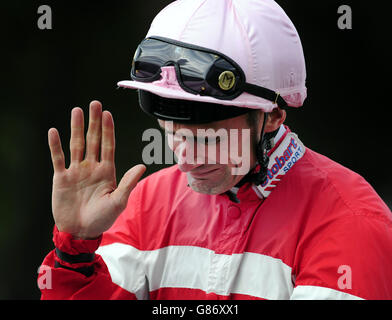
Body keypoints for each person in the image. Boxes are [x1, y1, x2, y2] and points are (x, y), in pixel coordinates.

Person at [39, 0, 392, 300]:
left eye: (209, 138)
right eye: (172, 133)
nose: (185, 160)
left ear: (272, 116)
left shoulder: (350, 223)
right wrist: (76, 254)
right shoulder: (144, 204)